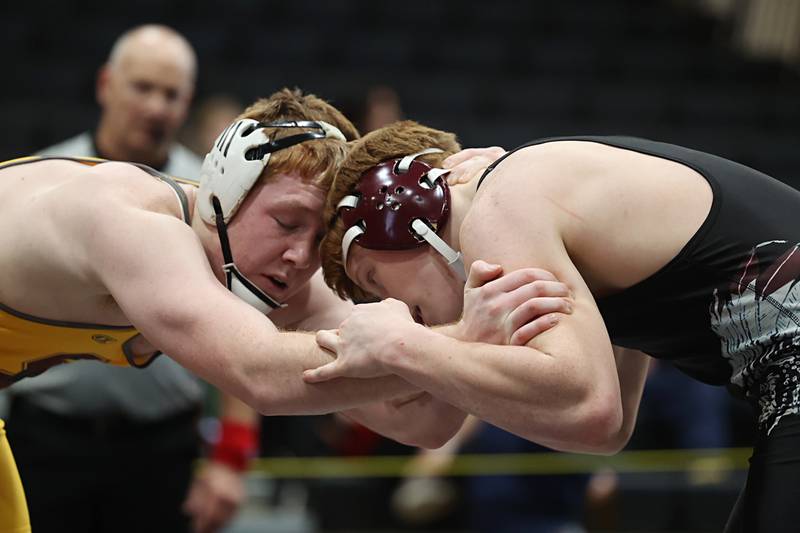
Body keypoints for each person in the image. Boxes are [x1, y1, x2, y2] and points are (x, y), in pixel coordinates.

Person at [0, 90, 571, 533]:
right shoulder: (132, 223)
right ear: (228, 186)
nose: (301, 256)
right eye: (287, 222)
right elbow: (259, 375)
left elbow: (422, 421)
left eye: (320, 236)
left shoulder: (277, 271)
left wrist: (458, 324)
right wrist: (461, 338)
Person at [314, 120, 800, 532]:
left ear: (405, 213)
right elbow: (605, 430)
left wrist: (402, 346)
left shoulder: (496, 207)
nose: (391, 305)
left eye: (373, 280)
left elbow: (590, 408)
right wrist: (460, 348)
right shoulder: (530, 202)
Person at [1, 24, 255, 533]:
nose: (156, 107)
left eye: (172, 94)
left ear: (187, 103)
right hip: (45, 437)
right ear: (105, 85)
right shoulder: (38, 179)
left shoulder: (215, 201)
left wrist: (231, 456)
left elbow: (248, 324)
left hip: (161, 447)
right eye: (143, 88)